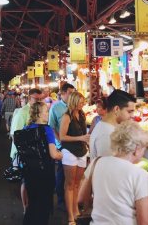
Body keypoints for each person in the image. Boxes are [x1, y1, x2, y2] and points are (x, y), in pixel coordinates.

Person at [79, 120, 148, 225]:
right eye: (144, 148)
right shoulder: (140, 175)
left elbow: (81, 200)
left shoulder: (97, 162)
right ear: (137, 149)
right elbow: (144, 222)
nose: (143, 153)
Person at [18, 101, 63, 225]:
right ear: (39, 114)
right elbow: (53, 154)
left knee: (32, 203)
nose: (48, 114)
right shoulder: (46, 130)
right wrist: (61, 154)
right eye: (46, 111)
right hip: (44, 173)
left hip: (29, 173)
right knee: (43, 206)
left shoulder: (25, 129)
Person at [9, 88, 42, 214]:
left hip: (36, 153)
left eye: (40, 99)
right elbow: (15, 135)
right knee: (26, 181)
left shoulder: (40, 111)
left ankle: (33, 205)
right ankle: (26, 207)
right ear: (29, 98)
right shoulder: (22, 112)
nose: (39, 101)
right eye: (36, 99)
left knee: (33, 181)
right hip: (23, 153)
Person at [58, 91, 89, 223]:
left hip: (82, 151)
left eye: (83, 102)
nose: (83, 104)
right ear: (74, 101)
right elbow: (62, 137)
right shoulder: (66, 117)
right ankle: (70, 215)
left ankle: (76, 209)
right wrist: (80, 137)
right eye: (81, 102)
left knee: (77, 183)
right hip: (69, 152)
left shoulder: (81, 114)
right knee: (69, 184)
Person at [48, 83, 75, 210]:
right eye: (70, 93)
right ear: (63, 93)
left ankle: (72, 199)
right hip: (62, 145)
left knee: (72, 175)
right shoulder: (56, 108)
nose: (72, 96)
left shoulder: (74, 107)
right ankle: (60, 200)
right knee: (61, 173)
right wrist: (60, 141)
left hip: (75, 145)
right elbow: (52, 127)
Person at [89, 89, 136, 160]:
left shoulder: (107, 127)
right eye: (129, 111)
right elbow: (109, 167)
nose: (132, 115)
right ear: (116, 109)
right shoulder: (106, 134)